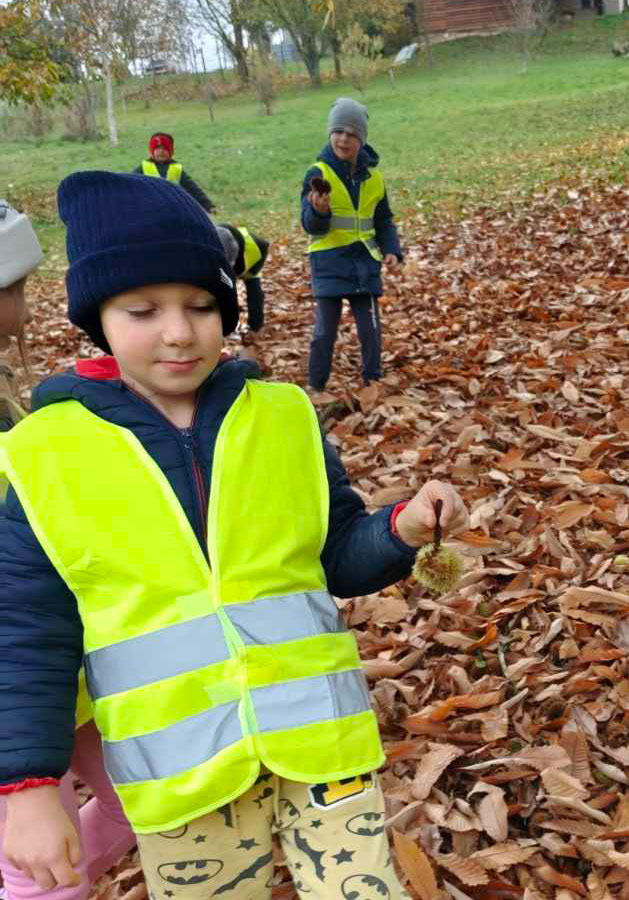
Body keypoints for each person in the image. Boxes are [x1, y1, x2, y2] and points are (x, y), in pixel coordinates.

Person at [0, 173, 466, 897]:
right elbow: (26, 633)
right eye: (143, 309)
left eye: (200, 305)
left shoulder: (281, 417)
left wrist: (400, 530)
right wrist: (26, 786)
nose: (179, 331)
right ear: (98, 320)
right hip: (183, 772)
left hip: (319, 742)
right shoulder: (45, 455)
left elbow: (335, 551)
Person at [0, 198, 136, 899]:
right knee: (39, 869)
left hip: (68, 666)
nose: (21, 312)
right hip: (15, 683)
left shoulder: (18, 405)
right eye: (13, 295)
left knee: (136, 801)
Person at [300, 98, 403, 391]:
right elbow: (309, 223)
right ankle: (316, 385)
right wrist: (319, 211)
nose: (343, 138)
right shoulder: (317, 173)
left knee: (370, 329)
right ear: (330, 133)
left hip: (364, 264)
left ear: (361, 139)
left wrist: (392, 250)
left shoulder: (375, 178)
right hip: (329, 263)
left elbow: (383, 220)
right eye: (338, 131)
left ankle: (373, 380)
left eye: (351, 133)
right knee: (324, 332)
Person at [134, 132, 216, 213]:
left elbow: (192, 188)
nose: (161, 151)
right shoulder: (143, 167)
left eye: (165, 148)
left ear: (171, 152)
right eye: (158, 148)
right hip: (150, 209)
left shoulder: (177, 168)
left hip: (173, 209)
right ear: (151, 151)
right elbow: (130, 182)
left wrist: (208, 205)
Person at [215, 223, 270, 336]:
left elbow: (264, 247)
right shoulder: (209, 240)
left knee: (254, 292)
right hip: (220, 259)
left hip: (251, 261)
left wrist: (251, 271)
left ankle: (256, 327)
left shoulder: (257, 246)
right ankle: (223, 326)